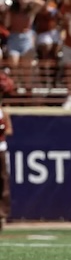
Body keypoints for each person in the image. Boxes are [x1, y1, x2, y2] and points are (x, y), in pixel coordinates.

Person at [0, 88, 12, 232]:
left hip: (1, 148)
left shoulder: (4, 113)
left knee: (3, 180)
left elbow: (9, 130)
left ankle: (2, 214)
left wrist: (2, 130)